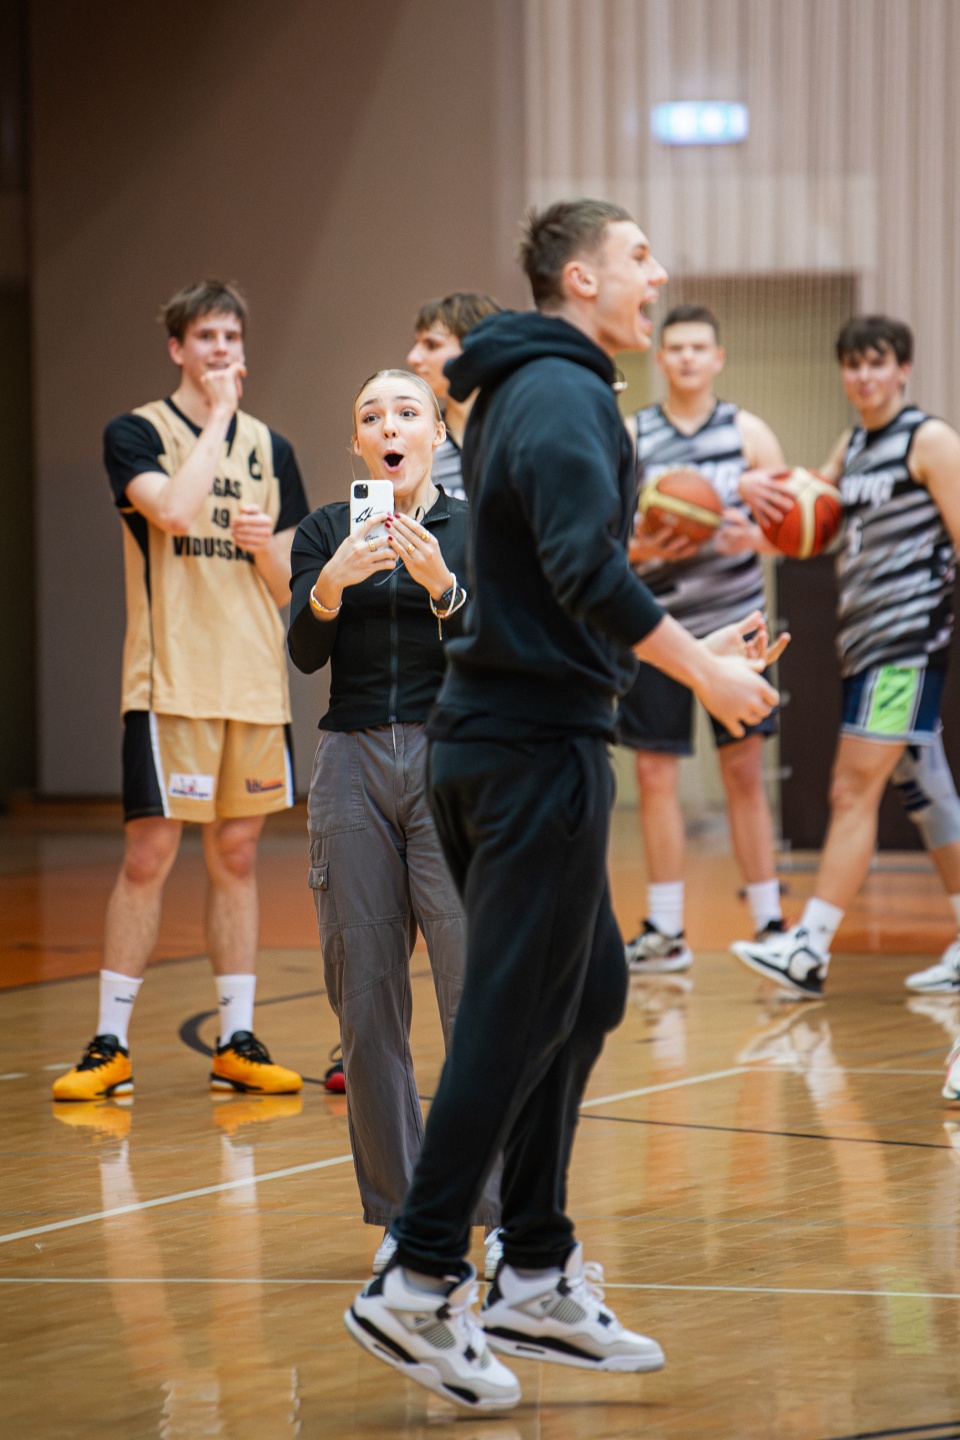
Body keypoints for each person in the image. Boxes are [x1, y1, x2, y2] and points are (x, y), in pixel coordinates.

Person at [344, 199, 785, 1413]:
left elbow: (552, 585)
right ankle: (419, 1275)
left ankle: (534, 1267)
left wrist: (693, 648)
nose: (659, 273)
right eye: (639, 256)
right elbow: (587, 574)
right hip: (526, 748)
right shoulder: (561, 390)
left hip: (529, 734)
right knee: (511, 1010)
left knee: (585, 992)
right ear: (581, 278)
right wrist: (706, 679)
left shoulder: (532, 390)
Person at [52, 280, 309, 1101]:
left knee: (237, 855)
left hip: (253, 683)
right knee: (149, 855)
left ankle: (237, 1039)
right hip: (171, 683)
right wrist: (220, 419)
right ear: (177, 348)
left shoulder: (275, 450)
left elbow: (288, 586)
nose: (221, 349)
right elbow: (170, 511)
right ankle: (109, 1043)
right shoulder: (136, 432)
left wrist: (266, 546)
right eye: (206, 337)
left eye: (232, 336)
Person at [287, 368, 501, 1278]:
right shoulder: (325, 531)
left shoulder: (475, 529)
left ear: (436, 435)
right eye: (371, 415)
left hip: (454, 761)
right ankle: (403, 1222)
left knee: (473, 991)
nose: (388, 426)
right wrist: (331, 585)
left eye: (407, 412)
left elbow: (496, 652)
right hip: (350, 765)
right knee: (366, 997)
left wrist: (443, 585)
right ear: (358, 443)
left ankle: (498, 1219)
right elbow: (305, 652)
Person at [732, 315, 960, 1000]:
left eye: (876, 362)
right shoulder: (854, 445)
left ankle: (809, 946)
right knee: (929, 795)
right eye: (853, 364)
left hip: (905, 646)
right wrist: (748, 502)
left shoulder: (929, 440)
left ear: (902, 369)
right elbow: (807, 521)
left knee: (850, 790)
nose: (863, 376)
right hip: (863, 644)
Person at [620, 305, 787, 974]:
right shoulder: (632, 435)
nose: (687, 357)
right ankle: (665, 929)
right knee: (654, 772)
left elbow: (793, 530)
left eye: (699, 348)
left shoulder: (750, 433)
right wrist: (640, 548)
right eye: (676, 348)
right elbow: (602, 539)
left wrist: (760, 539)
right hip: (656, 627)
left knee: (744, 771)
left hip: (738, 624)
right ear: (660, 359)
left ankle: (772, 924)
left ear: (718, 358)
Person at [406, 292, 502, 500]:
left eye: (431, 345)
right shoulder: (413, 441)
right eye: (417, 343)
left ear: (476, 350)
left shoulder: (519, 433)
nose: (412, 357)